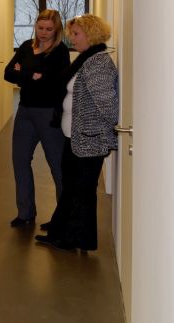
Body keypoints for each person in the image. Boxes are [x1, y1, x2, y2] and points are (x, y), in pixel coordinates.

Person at [36, 14, 118, 252]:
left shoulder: (98, 63)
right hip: (75, 138)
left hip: (88, 139)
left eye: (76, 33)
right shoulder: (86, 58)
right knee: (72, 189)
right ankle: (61, 233)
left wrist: (106, 130)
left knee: (82, 192)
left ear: (90, 34)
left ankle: (75, 239)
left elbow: (109, 106)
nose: (71, 38)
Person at [4, 10, 70, 227]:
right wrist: (31, 75)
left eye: (49, 29)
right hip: (24, 111)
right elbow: (8, 73)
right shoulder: (26, 46)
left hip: (49, 113)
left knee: (57, 165)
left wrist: (23, 72)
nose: (43, 32)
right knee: (20, 161)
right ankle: (25, 213)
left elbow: (54, 83)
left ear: (57, 30)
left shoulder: (60, 52)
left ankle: (63, 219)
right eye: (40, 28)